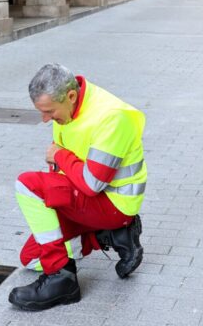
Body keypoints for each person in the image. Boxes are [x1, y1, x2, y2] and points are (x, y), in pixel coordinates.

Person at [9, 64, 147, 311]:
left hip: (114, 203)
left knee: (27, 185)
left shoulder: (112, 117)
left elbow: (92, 184)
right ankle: (104, 235)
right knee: (30, 258)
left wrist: (59, 156)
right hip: (84, 200)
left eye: (49, 112)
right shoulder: (67, 108)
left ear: (71, 96)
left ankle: (61, 278)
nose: (45, 119)